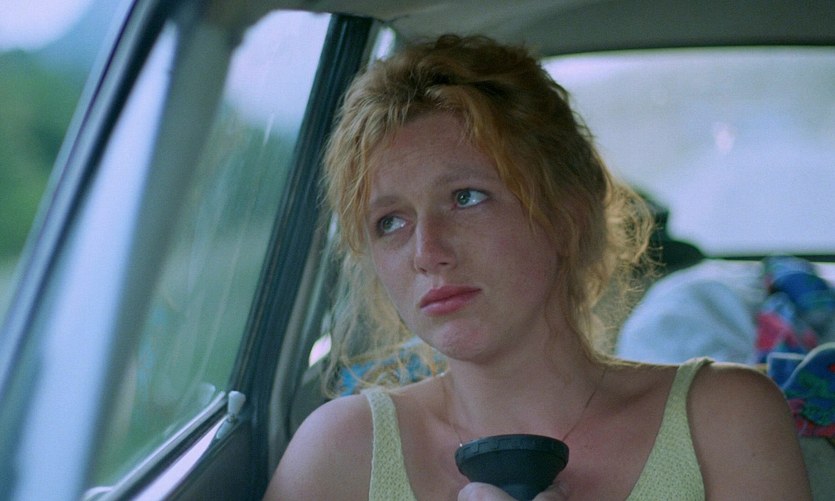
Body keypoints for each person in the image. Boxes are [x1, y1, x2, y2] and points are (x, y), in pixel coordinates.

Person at [264, 34, 810, 500]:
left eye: (466, 197)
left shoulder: (720, 421)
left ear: (568, 213)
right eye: (390, 222)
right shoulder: (340, 454)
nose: (427, 251)